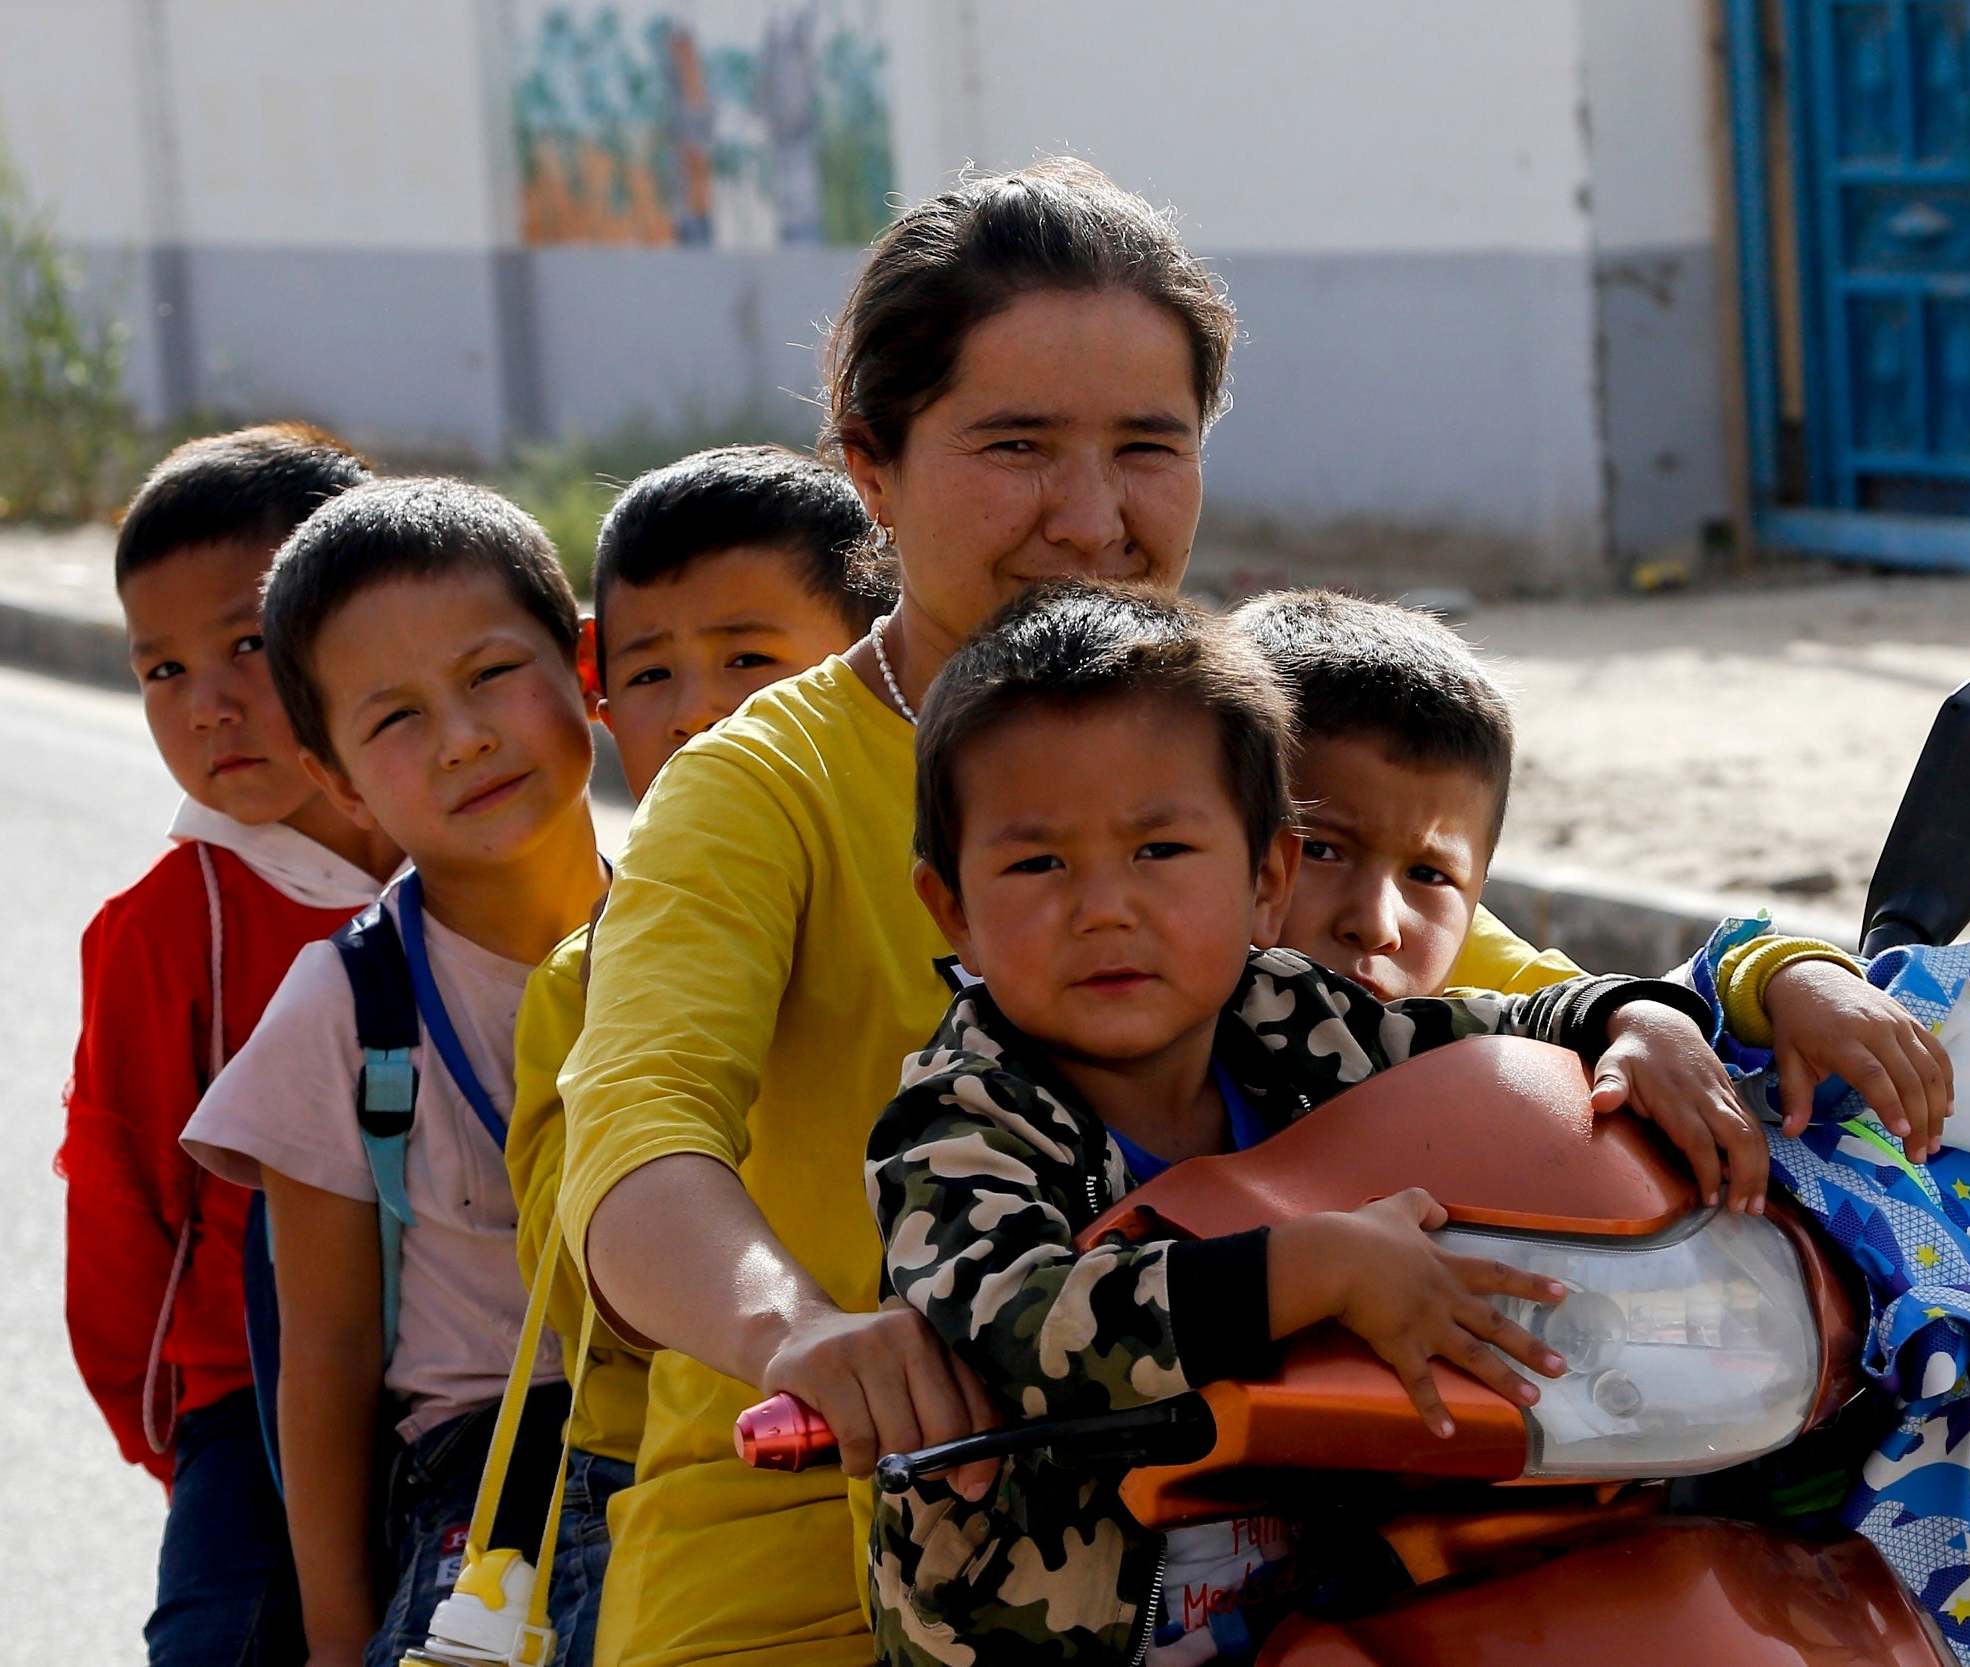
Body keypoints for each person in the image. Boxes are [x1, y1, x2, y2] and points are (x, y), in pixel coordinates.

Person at [552, 157, 1634, 1666]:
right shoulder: (759, 784)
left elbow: (1473, 981)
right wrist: (800, 1334)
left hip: (1252, 1550)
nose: (1090, 516)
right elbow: (636, 1129)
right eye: (1014, 445)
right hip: (818, 1561)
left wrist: (1741, 993)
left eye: (1147, 446)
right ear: (871, 461)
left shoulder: (1217, 723)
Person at [866, 582, 1727, 1664]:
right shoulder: (957, 1117)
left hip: (1298, 1613)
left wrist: (1630, 1017)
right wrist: (1307, 1266)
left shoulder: (1291, 1018)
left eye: (1158, 850)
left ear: (1263, 877)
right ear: (951, 907)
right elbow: (1025, 1326)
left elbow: (1481, 1034)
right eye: (1038, 862)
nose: (1103, 906)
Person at [181, 478, 608, 1667]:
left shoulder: (704, 935)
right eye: (395, 718)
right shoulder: (347, 1005)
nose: (463, 735)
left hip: (706, 1450)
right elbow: (320, 1356)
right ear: (334, 780)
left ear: (582, 665)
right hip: (489, 1505)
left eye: (488, 676)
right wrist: (333, 1632)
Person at [503, 445, 894, 1657]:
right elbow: (576, 1294)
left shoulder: (977, 869)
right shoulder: (586, 976)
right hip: (684, 1494)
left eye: (749, 660)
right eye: (651, 671)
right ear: (596, 687)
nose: (696, 709)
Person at [1232, 588, 1957, 1176]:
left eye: (1428, 874)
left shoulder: (1458, 981)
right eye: (1321, 850)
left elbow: (1610, 1002)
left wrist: (1784, 977)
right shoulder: (1155, 1018)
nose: (1378, 922)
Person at [60, 423, 398, 1666]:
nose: (207, 703)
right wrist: (186, 1435)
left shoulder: (487, 861)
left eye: (248, 644)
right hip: (251, 1413)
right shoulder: (164, 927)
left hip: (494, 1384)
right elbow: (120, 1210)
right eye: (161, 670)